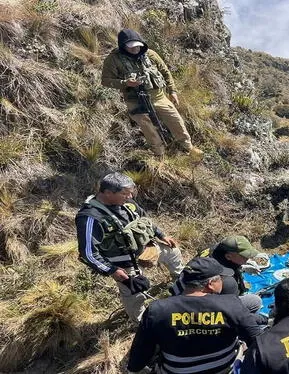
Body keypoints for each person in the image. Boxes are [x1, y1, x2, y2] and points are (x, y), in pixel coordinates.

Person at [75, 172, 183, 322]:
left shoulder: (127, 204)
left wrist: (161, 235)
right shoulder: (90, 218)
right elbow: (88, 253)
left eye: (131, 193)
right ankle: (141, 322)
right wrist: (112, 270)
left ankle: (181, 282)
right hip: (123, 263)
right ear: (107, 193)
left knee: (173, 252)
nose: (130, 197)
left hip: (145, 249)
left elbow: (145, 220)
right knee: (135, 295)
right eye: (125, 193)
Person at [127, 257, 262, 373]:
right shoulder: (231, 304)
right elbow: (258, 342)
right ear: (210, 284)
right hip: (225, 370)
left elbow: (136, 361)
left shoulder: (157, 310)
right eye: (221, 278)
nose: (223, 281)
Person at [101, 28, 202, 157]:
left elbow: (165, 72)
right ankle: (159, 154)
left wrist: (172, 91)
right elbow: (105, 81)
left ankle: (188, 147)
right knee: (147, 127)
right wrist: (126, 83)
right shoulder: (113, 60)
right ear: (123, 47)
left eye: (137, 46)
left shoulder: (151, 54)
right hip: (135, 100)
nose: (135, 50)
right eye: (131, 48)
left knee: (175, 120)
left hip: (158, 96)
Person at [172, 235, 264, 316]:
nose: (248, 259)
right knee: (254, 301)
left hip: (180, 293)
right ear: (228, 256)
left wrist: (241, 266)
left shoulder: (214, 249)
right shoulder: (227, 281)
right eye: (244, 257)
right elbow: (232, 309)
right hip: (197, 311)